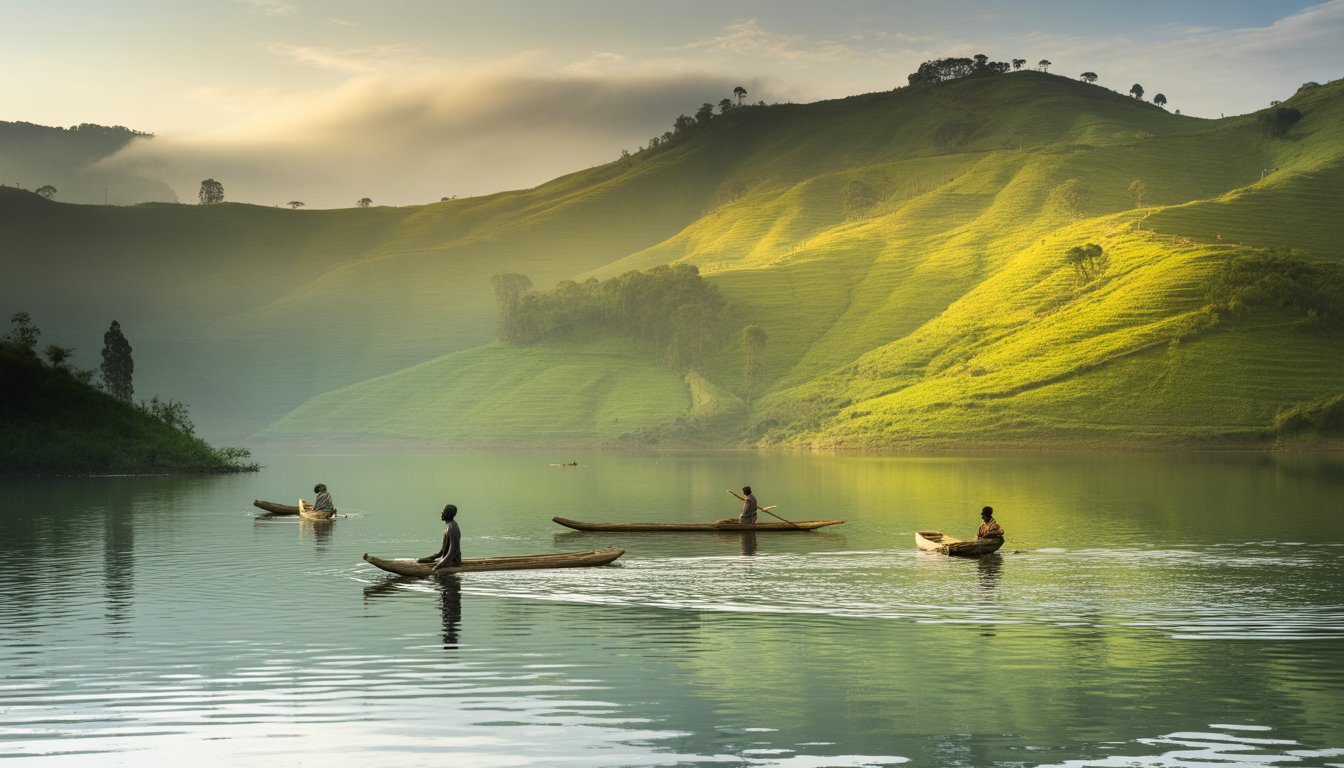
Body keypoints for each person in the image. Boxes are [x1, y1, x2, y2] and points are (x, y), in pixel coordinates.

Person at [417, 504, 462, 569]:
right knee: (419, 560)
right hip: (447, 560)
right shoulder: (448, 526)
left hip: (453, 562)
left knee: (434, 575)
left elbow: (453, 551)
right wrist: (432, 558)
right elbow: (443, 551)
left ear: (448, 514)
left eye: (443, 512)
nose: (441, 513)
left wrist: (438, 566)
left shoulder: (452, 528)